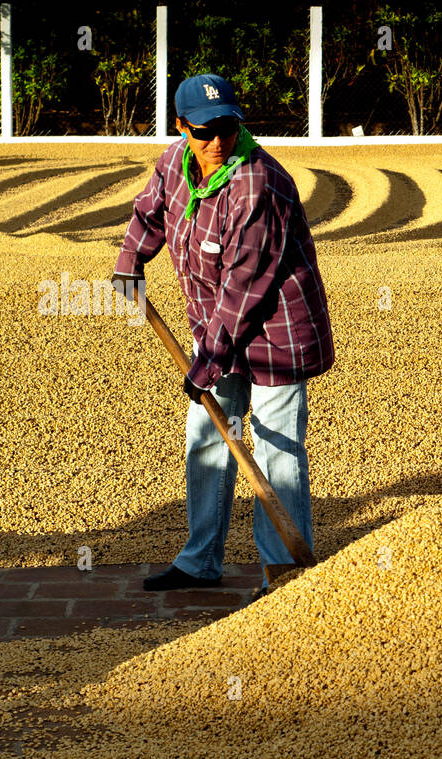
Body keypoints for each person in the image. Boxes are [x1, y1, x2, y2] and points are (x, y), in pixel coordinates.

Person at [112, 73, 334, 599]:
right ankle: (199, 561)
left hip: (275, 331)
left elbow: (246, 283)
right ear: (181, 126)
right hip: (217, 331)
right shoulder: (175, 161)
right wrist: (130, 263)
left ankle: (284, 575)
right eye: (205, 131)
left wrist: (205, 364)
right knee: (209, 438)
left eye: (228, 128)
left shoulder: (258, 185)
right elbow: (150, 211)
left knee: (277, 446)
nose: (217, 142)